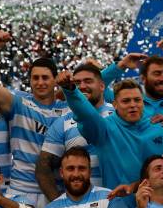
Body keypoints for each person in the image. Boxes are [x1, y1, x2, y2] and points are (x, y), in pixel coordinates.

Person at [0, 29, 69, 208]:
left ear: (55, 81)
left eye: (45, 78)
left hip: (57, 191)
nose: (40, 82)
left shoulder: (67, 109)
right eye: (35, 78)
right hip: (21, 191)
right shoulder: (20, 102)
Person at [60, 72, 163, 189]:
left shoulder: (160, 128)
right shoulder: (104, 129)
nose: (133, 105)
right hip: (120, 204)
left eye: (137, 100)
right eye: (126, 101)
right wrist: (71, 90)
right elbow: (87, 114)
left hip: (159, 205)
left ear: (143, 102)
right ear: (115, 105)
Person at [37, 63, 114, 201]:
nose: (82, 86)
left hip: (117, 202)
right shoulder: (62, 123)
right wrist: (58, 205)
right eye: (77, 83)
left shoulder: (119, 114)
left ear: (102, 86)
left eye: (88, 81)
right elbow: (43, 168)